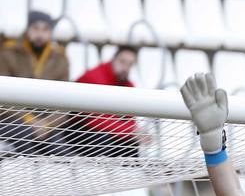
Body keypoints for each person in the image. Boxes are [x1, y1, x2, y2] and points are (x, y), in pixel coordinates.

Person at [0, 12, 69, 155]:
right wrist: (30, 120)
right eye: (36, 28)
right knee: (25, 137)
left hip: (46, 125)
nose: (40, 34)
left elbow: (65, 104)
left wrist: (47, 124)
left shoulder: (60, 58)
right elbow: (3, 99)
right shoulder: (8, 53)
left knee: (59, 149)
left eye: (45, 30)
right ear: (28, 29)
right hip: (12, 120)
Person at [72, 46, 143, 157]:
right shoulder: (94, 78)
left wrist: (132, 132)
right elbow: (94, 119)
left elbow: (130, 119)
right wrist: (130, 131)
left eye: (130, 64)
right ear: (113, 60)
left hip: (104, 131)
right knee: (102, 139)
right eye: (122, 62)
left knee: (130, 145)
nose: (125, 68)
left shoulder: (128, 85)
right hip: (77, 130)